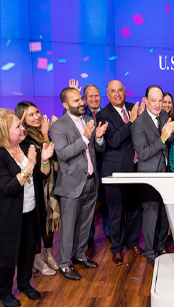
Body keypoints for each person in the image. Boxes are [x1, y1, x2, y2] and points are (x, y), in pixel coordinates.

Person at [50, 87, 107, 281]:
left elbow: (98, 149)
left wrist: (98, 137)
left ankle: (80, 254)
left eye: (80, 99)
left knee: (85, 222)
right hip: (71, 184)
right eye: (76, 101)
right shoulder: (58, 126)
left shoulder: (89, 120)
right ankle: (65, 264)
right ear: (65, 105)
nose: (82, 103)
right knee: (68, 226)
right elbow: (63, 153)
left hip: (91, 181)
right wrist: (85, 138)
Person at [0, 109, 54, 307]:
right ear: (5, 132)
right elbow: (10, 187)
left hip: (30, 210)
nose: (23, 128)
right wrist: (30, 165)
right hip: (8, 217)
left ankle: (24, 284)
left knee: (28, 251)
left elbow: (42, 175)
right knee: (7, 255)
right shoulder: (1, 155)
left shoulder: (25, 146)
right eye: (18, 126)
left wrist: (45, 160)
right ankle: (4, 291)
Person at [96, 80, 144, 266]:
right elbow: (114, 140)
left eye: (120, 90)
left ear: (125, 92)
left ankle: (132, 243)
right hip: (115, 171)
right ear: (107, 94)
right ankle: (116, 248)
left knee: (134, 209)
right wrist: (132, 121)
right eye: (113, 91)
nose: (117, 94)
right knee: (116, 212)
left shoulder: (134, 108)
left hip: (137, 168)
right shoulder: (103, 114)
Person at [132, 86, 174, 268]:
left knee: (164, 215)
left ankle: (160, 246)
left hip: (166, 172)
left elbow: (170, 141)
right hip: (149, 175)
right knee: (151, 215)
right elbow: (142, 154)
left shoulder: (165, 116)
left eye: (160, 100)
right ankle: (150, 252)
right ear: (146, 101)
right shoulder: (138, 124)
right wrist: (163, 137)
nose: (158, 104)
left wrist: (171, 132)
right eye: (153, 100)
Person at [15, 102, 59, 276]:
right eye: (31, 115)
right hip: (35, 188)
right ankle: (37, 258)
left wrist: (46, 134)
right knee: (37, 224)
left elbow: (52, 155)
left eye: (37, 112)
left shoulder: (42, 133)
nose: (37, 117)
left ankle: (48, 254)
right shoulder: (24, 138)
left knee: (49, 222)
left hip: (49, 185)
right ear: (22, 118)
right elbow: (39, 161)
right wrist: (44, 134)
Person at [80, 84, 110, 248]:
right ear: (84, 99)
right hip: (87, 167)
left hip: (105, 163)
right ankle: (89, 235)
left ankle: (109, 231)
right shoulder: (80, 115)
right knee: (88, 203)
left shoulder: (107, 114)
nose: (94, 99)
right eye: (90, 96)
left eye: (97, 95)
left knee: (107, 201)